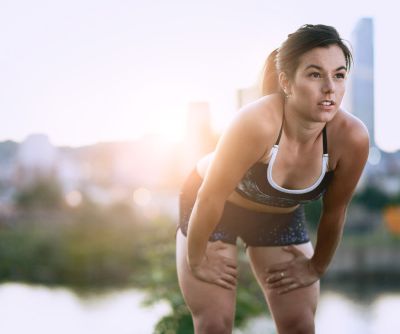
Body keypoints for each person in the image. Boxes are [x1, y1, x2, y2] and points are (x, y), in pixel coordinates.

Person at [176, 24, 369, 334]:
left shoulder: (352, 138)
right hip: (214, 208)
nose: (330, 88)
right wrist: (196, 260)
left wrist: (316, 266)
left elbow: (336, 211)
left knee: (299, 326)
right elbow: (209, 197)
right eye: (315, 74)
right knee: (214, 325)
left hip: (278, 218)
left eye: (339, 74)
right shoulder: (256, 122)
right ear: (287, 82)